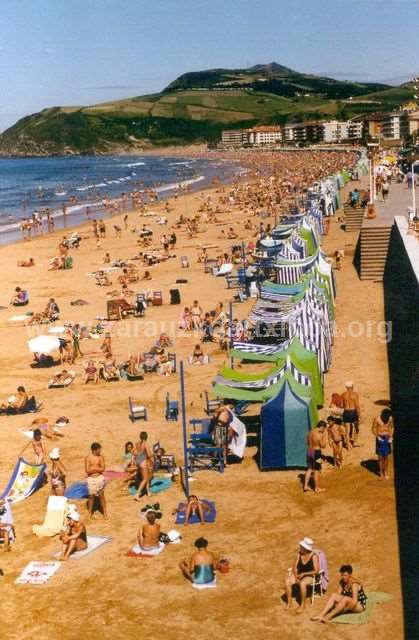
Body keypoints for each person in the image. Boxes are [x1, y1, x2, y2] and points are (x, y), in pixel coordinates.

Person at [284, 537, 320, 612]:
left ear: (305, 548)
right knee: (288, 581)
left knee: (302, 584)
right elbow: (295, 566)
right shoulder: (299, 554)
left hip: (310, 576)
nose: (300, 547)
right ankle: (289, 603)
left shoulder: (314, 556)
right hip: (299, 574)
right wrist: (296, 575)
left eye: (301, 547)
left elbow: (316, 571)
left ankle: (302, 605)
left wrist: (304, 574)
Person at [85, 442, 107, 519]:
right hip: (91, 479)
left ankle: (105, 513)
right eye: (99, 449)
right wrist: (97, 469)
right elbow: (87, 470)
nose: (100, 451)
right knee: (91, 496)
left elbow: (103, 468)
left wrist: (93, 469)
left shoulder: (101, 457)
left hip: (99, 478)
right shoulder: (88, 457)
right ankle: (90, 512)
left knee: (101, 496)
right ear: (95, 450)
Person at [303, 421, 327, 493]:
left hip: (309, 451)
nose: (324, 431)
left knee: (310, 468)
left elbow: (307, 442)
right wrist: (324, 438)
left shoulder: (310, 432)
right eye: (324, 429)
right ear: (322, 427)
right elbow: (323, 446)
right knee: (317, 470)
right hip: (317, 453)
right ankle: (317, 488)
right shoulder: (319, 435)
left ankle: (305, 486)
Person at [372, 408, 394, 480]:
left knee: (386, 457)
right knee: (380, 457)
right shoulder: (377, 419)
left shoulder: (390, 418)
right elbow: (373, 428)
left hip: (387, 438)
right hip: (380, 438)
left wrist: (391, 436)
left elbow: (391, 427)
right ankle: (381, 473)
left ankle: (386, 473)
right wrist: (377, 436)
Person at [134, 432, 153, 501]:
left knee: (146, 476)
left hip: (139, 460)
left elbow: (134, 451)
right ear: (147, 437)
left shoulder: (137, 443)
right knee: (145, 479)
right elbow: (148, 455)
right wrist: (153, 454)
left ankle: (148, 491)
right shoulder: (146, 444)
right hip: (143, 462)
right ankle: (137, 494)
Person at [342, 381, 361, 448]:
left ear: (346, 387)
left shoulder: (343, 394)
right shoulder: (355, 395)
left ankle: (348, 444)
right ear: (352, 386)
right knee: (356, 428)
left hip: (346, 412)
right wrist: (359, 415)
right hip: (353, 412)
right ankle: (355, 442)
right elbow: (357, 406)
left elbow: (342, 405)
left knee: (347, 429)